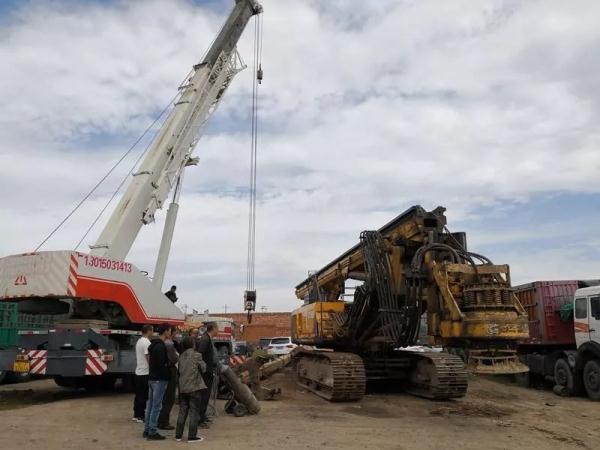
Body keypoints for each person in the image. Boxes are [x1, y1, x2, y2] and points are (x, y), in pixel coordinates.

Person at [175, 336, 207, 443]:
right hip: (194, 387)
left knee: (182, 411)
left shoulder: (181, 356)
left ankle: (178, 435)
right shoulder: (197, 355)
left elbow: (179, 371)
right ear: (193, 344)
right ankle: (192, 436)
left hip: (183, 387)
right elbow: (204, 368)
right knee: (194, 411)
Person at [143, 323, 172, 440]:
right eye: (169, 330)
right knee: (156, 406)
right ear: (165, 331)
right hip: (159, 380)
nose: (170, 333)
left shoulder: (153, 345)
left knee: (150, 406)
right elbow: (161, 365)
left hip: (151, 378)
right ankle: (152, 431)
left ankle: (147, 429)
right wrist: (168, 367)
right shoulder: (160, 346)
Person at [197, 322, 218, 428]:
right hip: (205, 373)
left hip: (208, 371)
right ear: (213, 328)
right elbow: (199, 354)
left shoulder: (208, 339)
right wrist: (204, 368)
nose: (218, 331)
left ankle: (202, 416)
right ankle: (199, 420)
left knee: (206, 396)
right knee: (203, 396)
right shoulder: (205, 339)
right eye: (217, 328)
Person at [157, 325, 179, 430]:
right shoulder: (169, 344)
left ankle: (161, 420)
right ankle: (164, 422)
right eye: (171, 331)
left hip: (164, 372)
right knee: (169, 398)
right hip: (171, 371)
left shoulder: (161, 343)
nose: (172, 333)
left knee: (164, 398)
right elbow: (174, 359)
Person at [132, 324, 153, 423]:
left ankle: (136, 415)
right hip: (145, 372)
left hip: (138, 372)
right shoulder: (147, 342)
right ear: (148, 331)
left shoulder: (139, 341)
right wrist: (152, 367)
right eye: (152, 330)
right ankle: (141, 416)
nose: (152, 333)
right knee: (144, 396)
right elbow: (147, 356)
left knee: (138, 395)